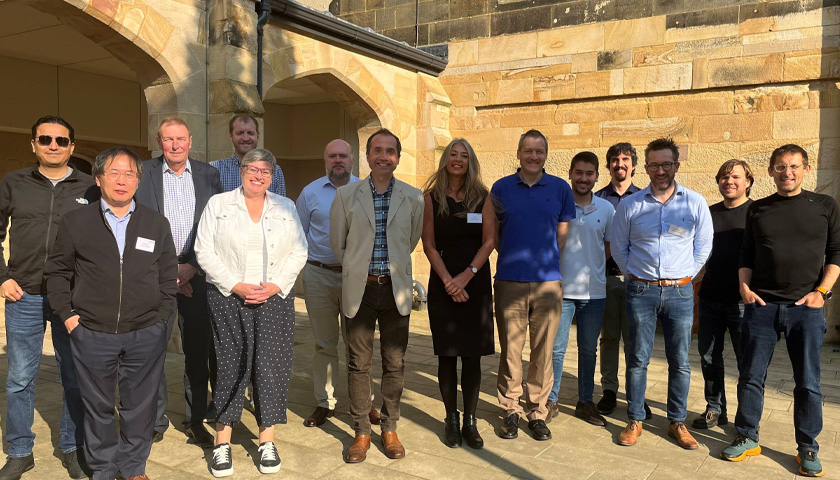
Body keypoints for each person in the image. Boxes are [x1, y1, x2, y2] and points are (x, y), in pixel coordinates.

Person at [44, 146, 178, 480]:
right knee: (98, 407)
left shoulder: (155, 223)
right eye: (114, 173)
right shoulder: (76, 221)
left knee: (139, 407)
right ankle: (103, 469)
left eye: (130, 173)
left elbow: (167, 274)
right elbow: (57, 273)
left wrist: (161, 317)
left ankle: (133, 468)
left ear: (138, 180)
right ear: (99, 178)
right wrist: (70, 317)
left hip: (145, 331)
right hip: (92, 332)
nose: (122, 180)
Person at [722, 144, 840, 478]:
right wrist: (744, 287)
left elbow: (836, 253)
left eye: (793, 166)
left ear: (805, 168)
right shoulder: (758, 209)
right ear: (772, 170)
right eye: (780, 167)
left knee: (808, 381)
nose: (787, 172)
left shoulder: (824, 206)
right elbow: (747, 255)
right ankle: (747, 436)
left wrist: (822, 293)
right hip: (762, 307)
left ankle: (807, 447)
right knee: (750, 376)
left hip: (806, 308)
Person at [195, 148, 307, 477]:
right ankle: (222, 444)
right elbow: (204, 249)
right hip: (229, 298)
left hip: (275, 299)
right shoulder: (219, 205)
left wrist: (275, 285)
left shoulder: (285, 207)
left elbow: (300, 250)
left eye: (265, 172)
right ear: (241, 170)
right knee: (230, 366)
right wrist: (235, 284)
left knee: (270, 368)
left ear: (273, 177)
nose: (258, 176)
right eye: (252, 169)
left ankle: (267, 441)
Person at [0, 116, 96, 480]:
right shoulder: (14, 183)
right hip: (22, 294)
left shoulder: (90, 187)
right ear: (33, 144)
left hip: (71, 297)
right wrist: (2, 278)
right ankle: (21, 451)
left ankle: (73, 448)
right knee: (20, 378)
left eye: (61, 140)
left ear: (72, 146)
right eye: (45, 139)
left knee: (74, 375)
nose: (53, 145)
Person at [610, 137, 713, 449]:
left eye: (666, 164)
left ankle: (677, 421)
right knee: (638, 357)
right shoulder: (631, 205)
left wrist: (685, 276)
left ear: (676, 166)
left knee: (680, 360)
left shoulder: (694, 203)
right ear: (646, 167)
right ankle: (636, 418)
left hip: (680, 293)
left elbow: (703, 247)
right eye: (654, 165)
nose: (660, 170)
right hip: (640, 290)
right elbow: (619, 247)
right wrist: (635, 276)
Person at [329, 129, 424, 463]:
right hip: (360, 289)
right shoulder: (346, 196)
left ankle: (390, 427)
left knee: (395, 362)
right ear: (367, 156)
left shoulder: (414, 197)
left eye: (390, 151)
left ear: (398, 157)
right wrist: (359, 269)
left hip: (395, 290)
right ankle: (361, 431)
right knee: (358, 363)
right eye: (377, 150)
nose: (384, 157)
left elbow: (411, 241)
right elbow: (339, 244)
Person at [136, 117, 223, 448]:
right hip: (154, 276)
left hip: (197, 275)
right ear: (160, 142)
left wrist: (192, 266)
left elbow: (217, 228)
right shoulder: (144, 173)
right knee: (152, 352)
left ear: (190, 142)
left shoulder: (208, 175)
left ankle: (196, 419)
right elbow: (135, 225)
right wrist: (168, 271)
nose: (174, 145)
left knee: (197, 353)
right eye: (168, 139)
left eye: (180, 139)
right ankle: (155, 421)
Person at [492, 129, 575, 442]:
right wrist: (515, 258)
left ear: (545, 155)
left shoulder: (559, 188)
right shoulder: (501, 188)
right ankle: (510, 408)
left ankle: (537, 412)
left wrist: (544, 262)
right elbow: (495, 233)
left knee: (543, 351)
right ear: (518, 153)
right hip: (510, 281)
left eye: (539, 151)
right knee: (511, 350)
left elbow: (562, 233)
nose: (533, 156)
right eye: (528, 150)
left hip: (548, 283)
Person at [296, 140, 383, 428]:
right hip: (319, 274)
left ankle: (364, 402)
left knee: (359, 343)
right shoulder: (310, 193)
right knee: (324, 343)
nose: (338, 160)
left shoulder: (366, 190)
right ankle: (325, 402)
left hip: (355, 277)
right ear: (325, 159)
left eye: (342, 156)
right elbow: (298, 236)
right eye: (332, 155)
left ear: (352, 159)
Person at [421, 138, 495, 449]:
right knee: (448, 356)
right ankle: (451, 418)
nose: (458, 159)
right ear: (445, 160)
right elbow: (428, 244)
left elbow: (489, 241)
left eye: (464, 155)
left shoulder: (483, 197)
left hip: (475, 283)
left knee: (473, 357)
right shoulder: (430, 198)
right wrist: (449, 280)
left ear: (470, 161)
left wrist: (466, 276)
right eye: (453, 154)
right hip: (443, 283)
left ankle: (470, 420)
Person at [548, 151, 614, 427]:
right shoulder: (558, 206)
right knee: (556, 349)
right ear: (571, 174)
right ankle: (550, 399)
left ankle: (585, 402)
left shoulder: (607, 209)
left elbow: (609, 247)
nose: (584, 178)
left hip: (594, 293)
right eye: (579, 173)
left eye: (589, 174)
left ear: (597, 176)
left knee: (588, 350)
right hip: (561, 291)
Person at [692, 159, 753, 429]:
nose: (729, 182)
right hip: (710, 297)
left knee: (746, 362)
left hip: (742, 302)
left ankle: (747, 417)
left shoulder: (757, 213)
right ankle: (715, 408)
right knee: (708, 357)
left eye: (735, 177)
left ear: (748, 181)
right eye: (724, 177)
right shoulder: (708, 212)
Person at [593, 142, 647, 418]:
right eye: (615, 159)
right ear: (609, 165)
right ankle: (609, 390)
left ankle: (637, 394)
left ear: (634, 165)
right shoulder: (598, 199)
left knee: (637, 340)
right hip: (609, 278)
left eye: (625, 159)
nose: (620, 164)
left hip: (639, 281)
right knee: (610, 337)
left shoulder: (646, 198)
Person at [211, 114, 286, 196]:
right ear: (231, 136)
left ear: (257, 136)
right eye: (240, 133)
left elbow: (280, 206)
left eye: (250, 133)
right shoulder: (214, 169)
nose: (245, 138)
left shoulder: (275, 171)